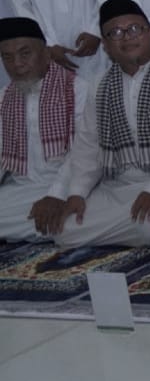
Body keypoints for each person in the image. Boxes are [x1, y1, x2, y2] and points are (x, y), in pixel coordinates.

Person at [40, 0, 150, 247]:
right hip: (117, 185)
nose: (126, 38)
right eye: (115, 33)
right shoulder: (100, 85)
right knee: (64, 231)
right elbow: (88, 145)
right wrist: (77, 192)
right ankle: (140, 230)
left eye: (134, 29)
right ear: (105, 45)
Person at [0, 17, 91, 241]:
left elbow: (84, 151)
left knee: (81, 217)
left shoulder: (78, 90)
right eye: (7, 57)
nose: (17, 64)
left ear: (46, 54)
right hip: (18, 190)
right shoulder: (4, 98)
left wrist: (56, 194)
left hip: (67, 187)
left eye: (25, 54)